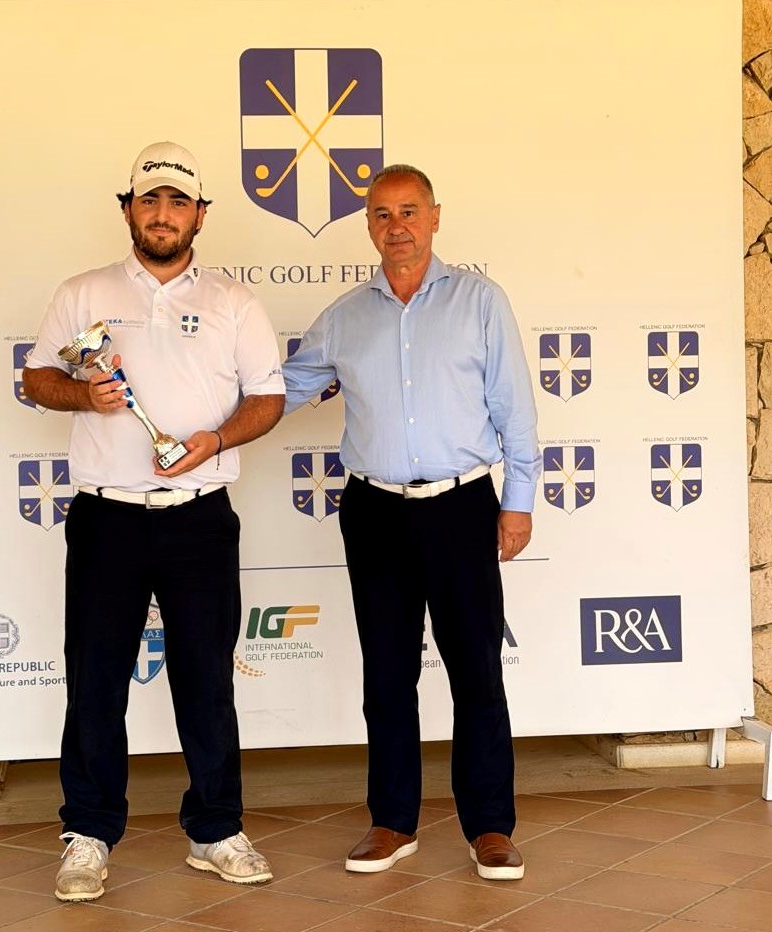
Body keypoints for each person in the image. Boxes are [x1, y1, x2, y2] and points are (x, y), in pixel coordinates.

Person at [24, 141, 285, 902]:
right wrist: (84, 395)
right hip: (106, 517)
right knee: (96, 681)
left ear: (200, 215)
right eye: (149, 200)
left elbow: (268, 398)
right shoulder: (82, 293)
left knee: (206, 681)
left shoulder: (235, 302)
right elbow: (38, 378)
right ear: (128, 211)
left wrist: (216, 441)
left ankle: (216, 830)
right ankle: (88, 834)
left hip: (199, 517)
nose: (162, 214)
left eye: (177, 202)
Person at [283, 164, 540, 881]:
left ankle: (490, 827)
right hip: (374, 512)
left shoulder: (480, 302)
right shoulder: (345, 316)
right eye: (381, 214)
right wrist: (201, 411)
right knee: (387, 673)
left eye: (408, 211)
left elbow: (514, 407)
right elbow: (283, 389)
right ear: (368, 225)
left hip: (462, 507)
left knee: (476, 671)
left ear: (434, 217)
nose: (396, 226)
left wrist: (518, 500)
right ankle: (392, 822)